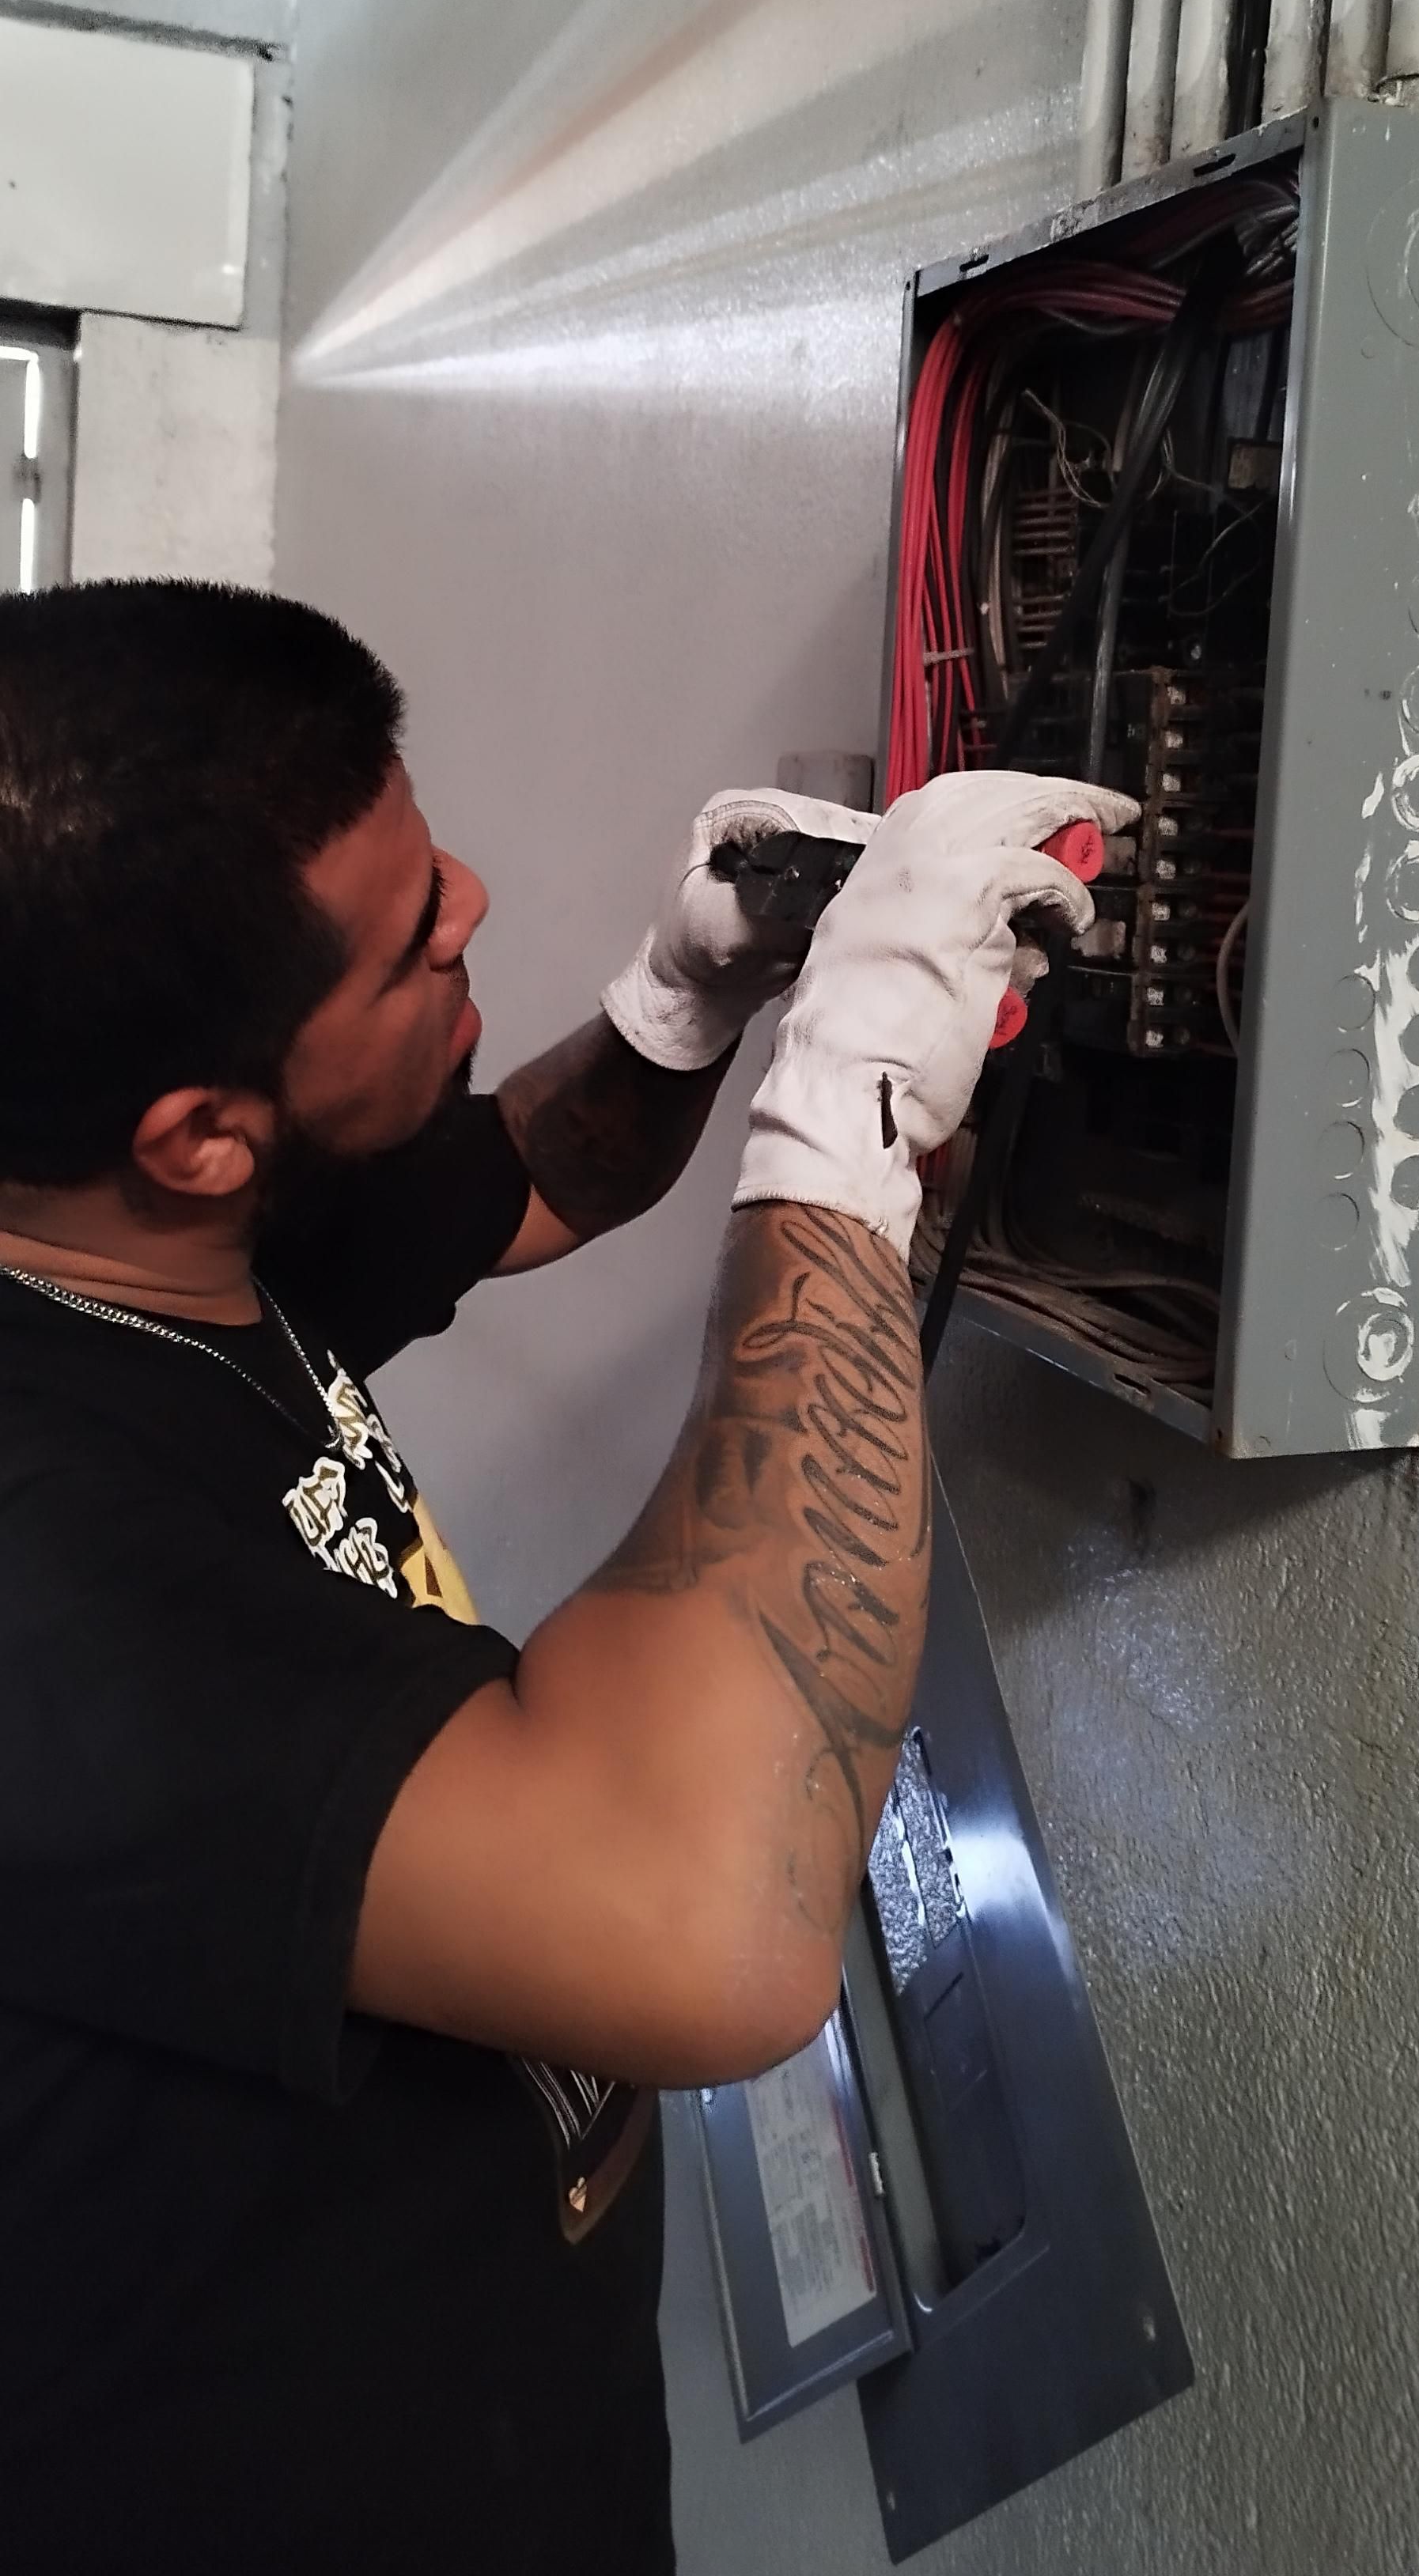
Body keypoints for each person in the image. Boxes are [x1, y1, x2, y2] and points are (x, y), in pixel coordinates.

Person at [0, 578, 1130, 2575]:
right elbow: (711, 1916)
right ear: (199, 1133)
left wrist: (693, 999)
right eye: (409, 936)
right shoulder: (41, 1574)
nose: (473, 900)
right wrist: (846, 1121)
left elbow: (529, 1171)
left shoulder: (131, 1236)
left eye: (426, 852)